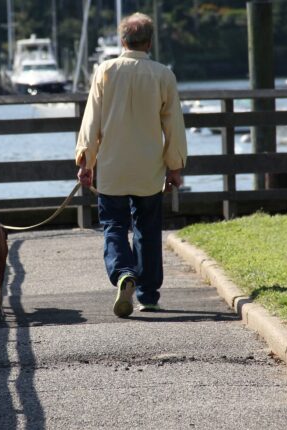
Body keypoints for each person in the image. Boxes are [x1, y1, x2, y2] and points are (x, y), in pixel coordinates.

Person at [75, 12, 187, 318]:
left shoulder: (105, 71)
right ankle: (148, 294)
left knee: (114, 226)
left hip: (112, 167)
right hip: (148, 169)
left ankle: (123, 273)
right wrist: (174, 166)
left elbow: (91, 122)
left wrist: (86, 160)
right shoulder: (163, 74)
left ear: (122, 40)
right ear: (149, 42)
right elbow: (173, 125)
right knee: (147, 230)